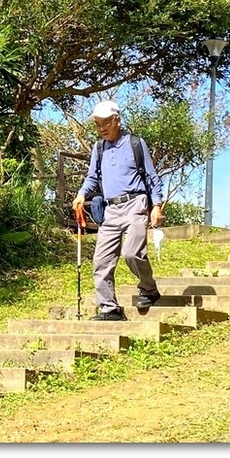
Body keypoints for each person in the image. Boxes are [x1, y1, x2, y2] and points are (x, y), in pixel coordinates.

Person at [72, 100, 164, 321]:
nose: (102, 128)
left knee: (132, 252)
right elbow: (93, 176)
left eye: (105, 123)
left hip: (136, 203)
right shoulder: (99, 148)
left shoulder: (135, 143)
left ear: (117, 120)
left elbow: (152, 177)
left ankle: (149, 290)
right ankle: (109, 308)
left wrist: (157, 205)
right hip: (111, 208)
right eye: (97, 124)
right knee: (101, 260)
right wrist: (82, 193)